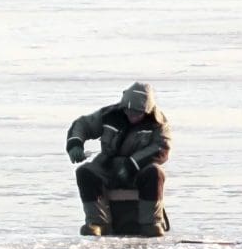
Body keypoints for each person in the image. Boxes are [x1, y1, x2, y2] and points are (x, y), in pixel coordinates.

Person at [66, 82, 171, 237]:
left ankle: (151, 223)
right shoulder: (109, 114)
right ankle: (98, 223)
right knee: (85, 172)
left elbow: (161, 146)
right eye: (129, 112)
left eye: (137, 113)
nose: (132, 116)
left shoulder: (159, 123)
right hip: (108, 165)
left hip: (141, 169)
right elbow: (83, 125)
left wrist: (132, 164)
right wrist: (75, 143)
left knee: (155, 173)